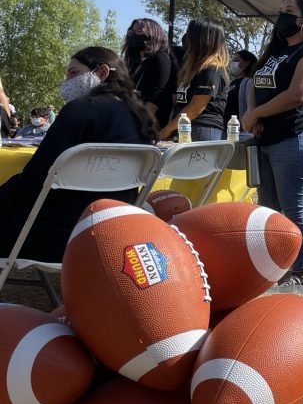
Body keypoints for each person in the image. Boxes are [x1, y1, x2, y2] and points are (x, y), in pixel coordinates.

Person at [0, 47, 158, 263]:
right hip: (111, 232)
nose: (66, 82)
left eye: (73, 73)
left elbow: (35, 179)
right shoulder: (141, 117)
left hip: (50, 236)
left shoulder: (80, 110)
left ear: (102, 72)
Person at [242, 0, 303, 286]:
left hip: (295, 138)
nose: (282, 17)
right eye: (280, 10)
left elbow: (297, 94)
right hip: (266, 139)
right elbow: (252, 81)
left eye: (289, 12)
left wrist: (256, 114)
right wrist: (252, 113)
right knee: (268, 208)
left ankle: (299, 271)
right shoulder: (275, 51)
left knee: (295, 208)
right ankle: (273, 266)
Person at [160, 18, 230, 141]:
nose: (186, 37)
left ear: (202, 39)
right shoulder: (194, 69)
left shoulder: (211, 69)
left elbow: (196, 108)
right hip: (185, 129)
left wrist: (166, 131)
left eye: (190, 33)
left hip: (202, 130)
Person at [123, 18, 178, 129]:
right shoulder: (136, 63)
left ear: (152, 34)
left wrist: (142, 119)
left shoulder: (160, 58)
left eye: (138, 31)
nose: (133, 35)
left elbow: (159, 94)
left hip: (151, 124)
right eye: (131, 32)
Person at [224, 49, 257, 127]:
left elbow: (251, 107)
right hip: (227, 128)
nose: (233, 63)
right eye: (233, 60)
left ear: (247, 63)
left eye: (236, 60)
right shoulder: (232, 82)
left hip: (241, 130)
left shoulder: (250, 82)